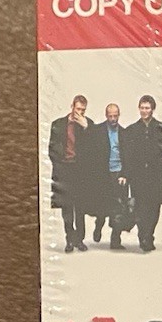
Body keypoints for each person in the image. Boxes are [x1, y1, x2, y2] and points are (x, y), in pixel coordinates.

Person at [120, 95, 162, 253]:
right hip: (138, 175)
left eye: (147, 108)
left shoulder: (161, 128)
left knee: (154, 208)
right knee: (140, 207)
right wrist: (124, 174)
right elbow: (126, 155)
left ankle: (149, 235)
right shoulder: (132, 130)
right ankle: (143, 237)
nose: (144, 111)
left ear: (153, 109)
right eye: (142, 108)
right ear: (139, 108)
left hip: (156, 175)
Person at [48, 95, 93, 252]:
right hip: (64, 170)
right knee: (66, 208)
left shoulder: (88, 124)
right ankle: (69, 239)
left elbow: (93, 149)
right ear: (72, 106)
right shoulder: (58, 124)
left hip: (80, 172)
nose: (80, 113)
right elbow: (52, 149)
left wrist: (86, 128)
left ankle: (79, 240)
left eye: (83, 110)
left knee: (80, 207)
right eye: (78, 109)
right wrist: (59, 166)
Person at [90, 103, 130, 249]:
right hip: (103, 173)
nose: (113, 119)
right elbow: (92, 153)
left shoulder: (124, 133)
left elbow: (129, 156)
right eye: (110, 116)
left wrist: (125, 174)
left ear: (119, 115)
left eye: (115, 116)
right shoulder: (98, 131)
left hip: (119, 173)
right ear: (106, 115)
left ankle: (115, 240)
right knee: (102, 204)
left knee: (119, 208)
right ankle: (98, 225)